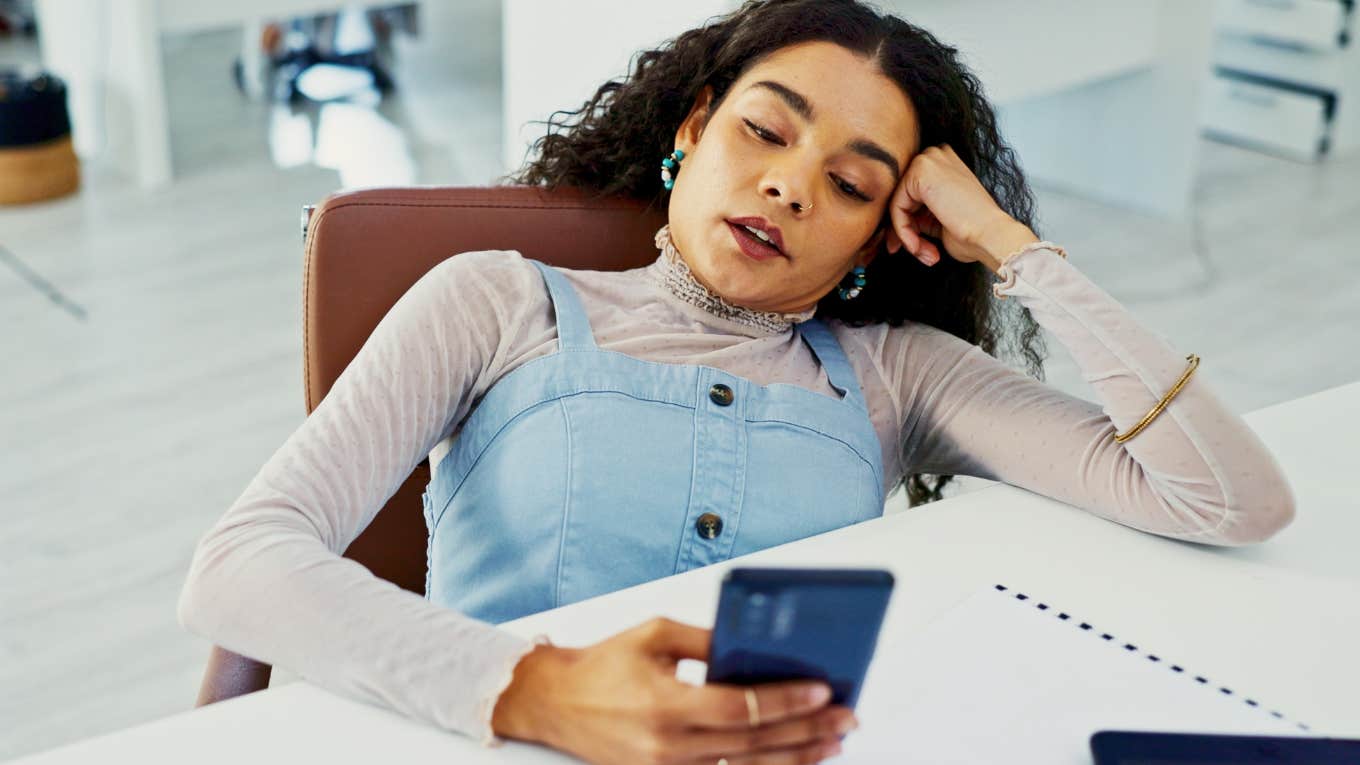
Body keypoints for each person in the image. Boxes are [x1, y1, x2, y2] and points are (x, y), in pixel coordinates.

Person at [176, 2, 1297, 763]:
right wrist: (535, 689)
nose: (788, 188)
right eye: (764, 131)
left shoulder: (895, 375)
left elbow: (1225, 499)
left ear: (874, 239)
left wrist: (1008, 243)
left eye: (851, 185)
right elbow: (243, 562)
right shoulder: (498, 301)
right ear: (695, 128)